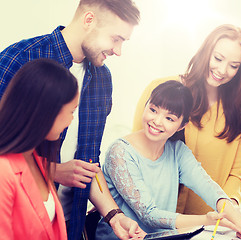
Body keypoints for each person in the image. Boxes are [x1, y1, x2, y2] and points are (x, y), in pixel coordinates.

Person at [0, 1, 145, 239]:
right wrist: (52, 171)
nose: (118, 51)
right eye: (116, 38)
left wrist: (114, 216)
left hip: (70, 223)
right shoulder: (20, 59)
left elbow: (88, 163)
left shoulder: (102, 79)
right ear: (89, 20)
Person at [96, 80, 241, 240]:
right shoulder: (120, 152)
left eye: (169, 118)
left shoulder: (177, 151)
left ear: (182, 125)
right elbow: (148, 215)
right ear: (146, 105)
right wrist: (205, 220)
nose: (156, 121)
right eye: (153, 110)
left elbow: (209, 188)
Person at [132, 24, 241, 215]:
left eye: (234, 66)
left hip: (207, 222)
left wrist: (230, 206)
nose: (222, 70)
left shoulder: (239, 114)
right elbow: (134, 152)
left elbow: (235, 174)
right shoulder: (162, 89)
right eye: (218, 58)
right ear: (206, 52)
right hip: (152, 217)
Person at [0, 58, 78, 239]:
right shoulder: (4, 171)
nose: (71, 120)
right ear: (47, 112)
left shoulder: (34, 157)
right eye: (72, 111)